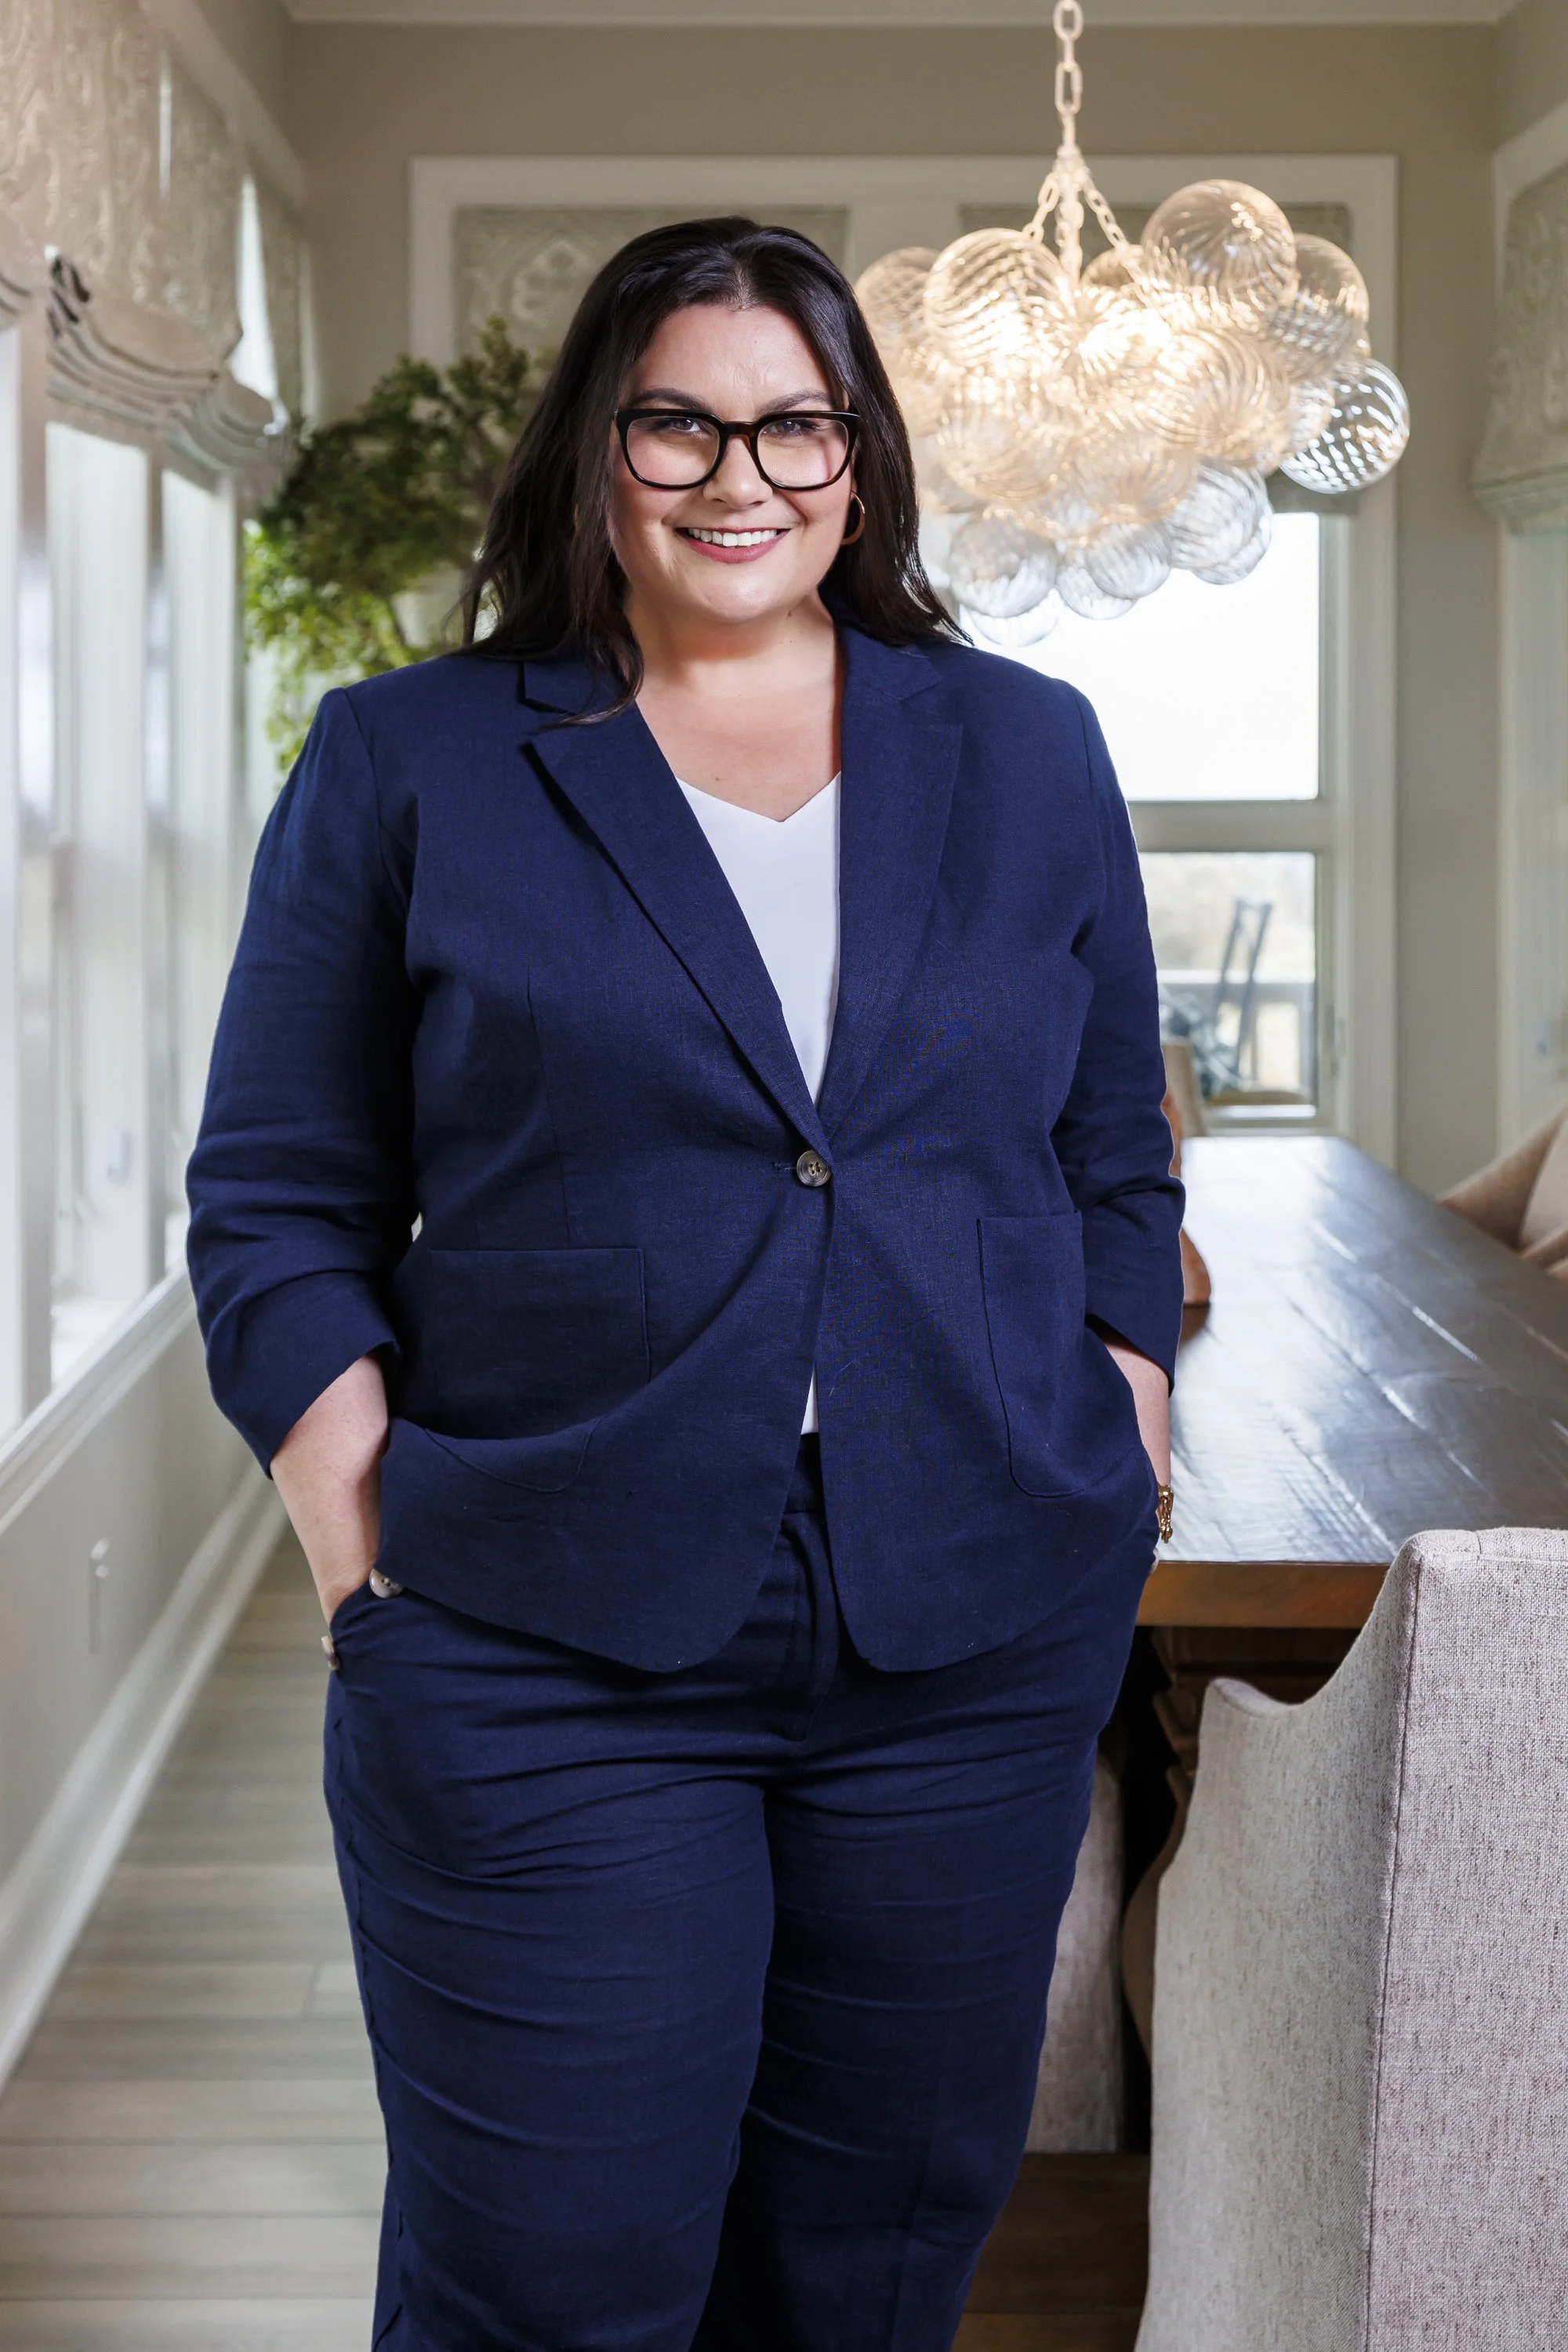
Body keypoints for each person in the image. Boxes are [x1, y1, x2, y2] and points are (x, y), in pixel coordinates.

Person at [187, 216, 1183, 2352]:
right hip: (542, 1627)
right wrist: (353, 1520)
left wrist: (1130, 1391)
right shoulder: (414, 757)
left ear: (862, 453)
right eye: (681, 421)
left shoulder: (1027, 752)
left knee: (870, 2277)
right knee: (553, 2283)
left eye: (796, 423)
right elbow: (278, 1186)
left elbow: (1111, 1138)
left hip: (969, 1626)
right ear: (595, 449)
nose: (743, 477)